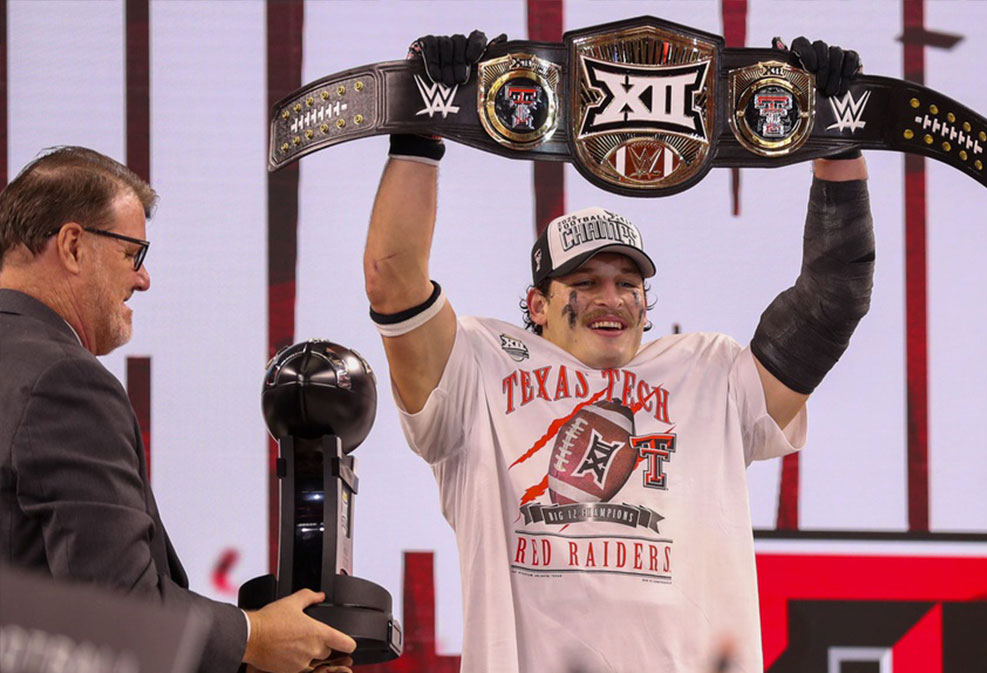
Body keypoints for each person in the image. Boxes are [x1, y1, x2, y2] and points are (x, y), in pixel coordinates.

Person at [364, 34, 872, 672]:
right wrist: (419, 132)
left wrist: (837, 142)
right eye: (584, 284)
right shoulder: (478, 368)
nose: (612, 299)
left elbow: (835, 297)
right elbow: (393, 278)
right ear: (539, 304)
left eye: (628, 283)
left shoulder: (709, 376)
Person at [0, 146, 357, 673]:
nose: (142, 280)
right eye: (132, 254)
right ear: (73, 245)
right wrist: (255, 636)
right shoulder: (64, 382)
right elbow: (118, 612)